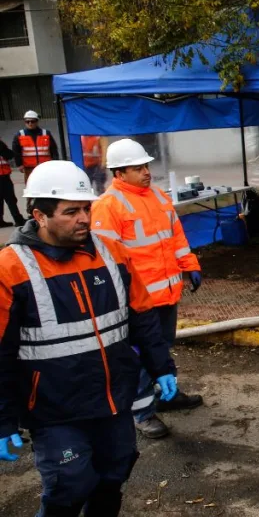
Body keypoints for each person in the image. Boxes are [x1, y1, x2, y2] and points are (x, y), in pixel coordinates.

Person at [0, 160, 178, 516]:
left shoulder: (112, 253)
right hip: (54, 411)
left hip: (112, 400)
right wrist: (2, 418)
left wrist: (161, 366)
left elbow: (141, 316)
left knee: (115, 472)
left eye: (87, 208)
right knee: (70, 484)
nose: (85, 218)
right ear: (40, 215)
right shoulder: (11, 268)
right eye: (71, 211)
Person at [90, 139, 203, 440]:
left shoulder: (157, 196)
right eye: (137, 168)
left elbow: (175, 236)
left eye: (146, 166)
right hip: (137, 302)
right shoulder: (108, 206)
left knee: (162, 348)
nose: (145, 172)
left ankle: (167, 394)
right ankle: (143, 413)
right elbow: (105, 260)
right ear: (119, 173)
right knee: (138, 355)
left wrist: (189, 264)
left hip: (166, 293)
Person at [13, 110, 60, 182]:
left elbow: (53, 149)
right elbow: (16, 151)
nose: (30, 123)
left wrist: (55, 162)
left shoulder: (46, 133)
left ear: (37, 121)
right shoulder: (19, 135)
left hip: (45, 166)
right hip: (29, 167)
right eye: (27, 121)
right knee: (31, 185)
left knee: (47, 183)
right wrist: (19, 164)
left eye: (32, 121)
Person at [0, 136, 26, 227]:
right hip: (2, 176)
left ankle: (1, 221)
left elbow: (10, 155)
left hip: (4, 174)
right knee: (10, 199)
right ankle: (18, 220)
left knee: (9, 199)